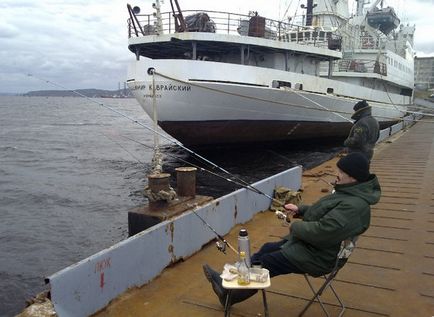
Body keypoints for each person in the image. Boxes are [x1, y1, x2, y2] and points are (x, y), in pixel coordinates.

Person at [203, 152, 381, 307]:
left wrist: (295, 226)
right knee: (266, 249)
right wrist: (301, 210)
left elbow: (322, 232)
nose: (337, 174)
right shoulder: (348, 193)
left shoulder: (355, 206)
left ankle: (229, 293)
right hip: (314, 248)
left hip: (320, 257)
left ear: (353, 177)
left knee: (266, 263)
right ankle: (228, 288)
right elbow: (324, 214)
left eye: (341, 172)